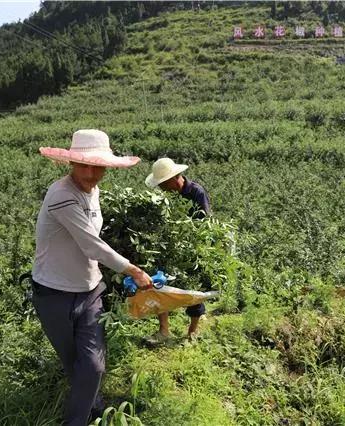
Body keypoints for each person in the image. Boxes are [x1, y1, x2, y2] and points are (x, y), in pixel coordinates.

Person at [32, 129, 152, 426]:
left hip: (90, 290)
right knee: (75, 363)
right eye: (84, 165)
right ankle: (94, 407)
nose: (91, 173)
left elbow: (91, 241)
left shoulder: (93, 191)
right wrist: (133, 270)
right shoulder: (61, 194)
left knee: (94, 365)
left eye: (97, 166)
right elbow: (90, 244)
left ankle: (76, 421)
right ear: (71, 164)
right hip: (53, 293)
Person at [145, 157, 212, 342]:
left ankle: (192, 331)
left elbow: (204, 223)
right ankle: (164, 330)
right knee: (160, 282)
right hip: (169, 246)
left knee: (194, 287)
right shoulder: (165, 196)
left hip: (191, 246)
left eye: (164, 184)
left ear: (175, 178)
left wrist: (186, 235)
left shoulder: (196, 192)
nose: (162, 189)